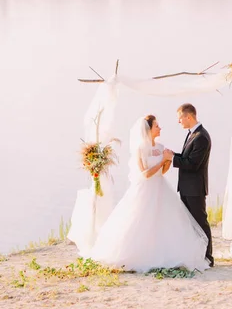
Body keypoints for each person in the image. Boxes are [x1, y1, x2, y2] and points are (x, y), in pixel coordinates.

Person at [89, 115, 210, 273]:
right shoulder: (140, 149)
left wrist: (167, 161)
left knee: (166, 221)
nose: (160, 128)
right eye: (157, 126)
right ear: (149, 129)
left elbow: (163, 172)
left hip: (161, 186)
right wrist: (162, 162)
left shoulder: (160, 147)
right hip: (145, 188)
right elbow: (145, 174)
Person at [166, 103, 214, 267]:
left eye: (180, 118)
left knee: (200, 222)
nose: (179, 122)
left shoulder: (201, 136)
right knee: (191, 224)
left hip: (195, 188)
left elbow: (193, 164)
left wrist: (171, 159)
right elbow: (187, 157)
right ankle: (197, 254)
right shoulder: (192, 134)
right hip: (187, 187)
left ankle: (208, 257)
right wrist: (174, 155)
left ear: (188, 116)